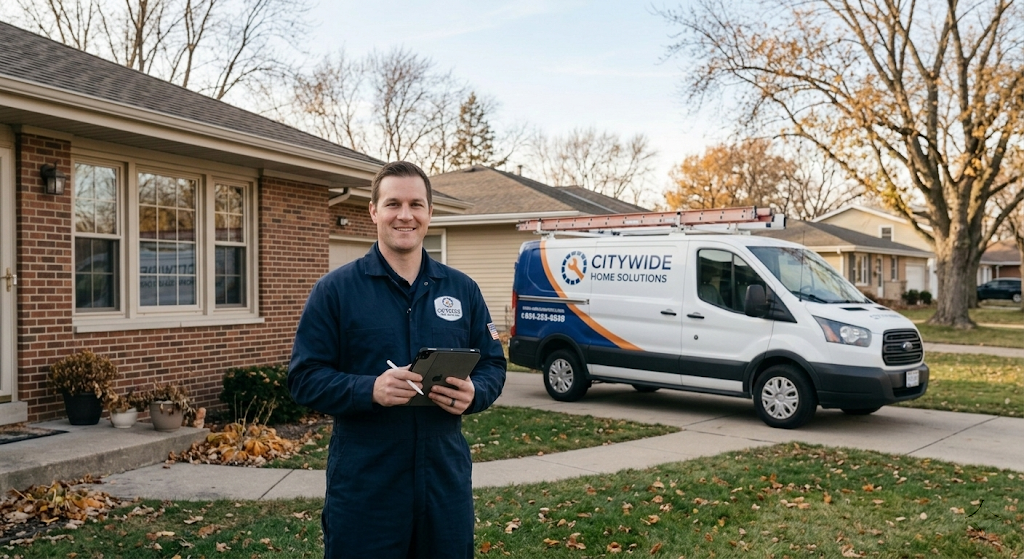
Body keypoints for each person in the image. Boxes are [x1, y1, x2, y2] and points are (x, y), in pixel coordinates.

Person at [288, 161, 506, 559]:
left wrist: (476, 392)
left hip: (444, 483)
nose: (405, 215)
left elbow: (494, 365)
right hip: (365, 486)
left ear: (429, 213)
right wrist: (368, 388)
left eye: (416, 205)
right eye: (393, 204)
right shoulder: (335, 291)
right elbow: (304, 377)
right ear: (373, 211)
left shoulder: (462, 290)